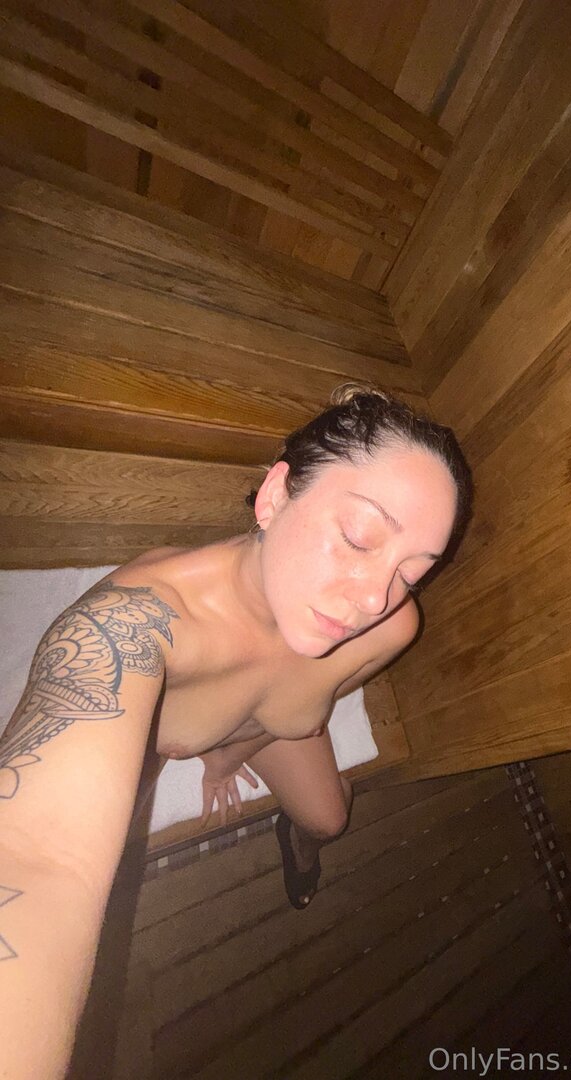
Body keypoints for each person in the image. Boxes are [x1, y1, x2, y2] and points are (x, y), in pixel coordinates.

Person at [0, 382, 473, 1079]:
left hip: (265, 731)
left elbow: (310, 704)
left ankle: (295, 841)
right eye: (359, 538)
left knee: (328, 820)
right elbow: (40, 856)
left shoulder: (392, 624)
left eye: (411, 572)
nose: (374, 596)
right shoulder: (131, 626)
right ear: (275, 496)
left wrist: (228, 757)